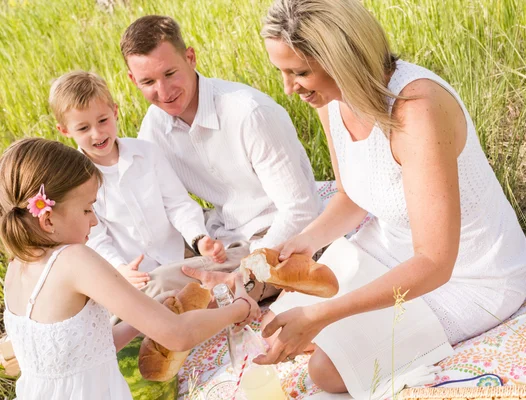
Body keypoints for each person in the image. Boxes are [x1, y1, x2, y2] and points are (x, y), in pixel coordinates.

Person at [254, 0, 526, 394]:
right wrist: (307, 241)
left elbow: (435, 263)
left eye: (299, 72)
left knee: (327, 371)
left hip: (468, 276)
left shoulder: (416, 110)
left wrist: (322, 314)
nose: (288, 88)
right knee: (277, 330)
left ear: (343, 59)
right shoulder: (330, 100)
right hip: (391, 249)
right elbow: (352, 196)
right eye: (282, 71)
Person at [0, 138, 259, 399]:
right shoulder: (74, 259)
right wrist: (240, 307)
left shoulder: (16, 268)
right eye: (88, 209)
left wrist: (141, 318)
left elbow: (85, 354)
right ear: (47, 219)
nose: (93, 221)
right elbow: (179, 335)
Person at [119, 15, 321, 298]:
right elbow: (147, 202)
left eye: (169, 74)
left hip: (277, 239)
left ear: (190, 58)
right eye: (148, 81)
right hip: (222, 237)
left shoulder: (249, 114)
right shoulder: (155, 126)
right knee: (133, 286)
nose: (163, 92)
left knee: (160, 289)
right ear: (132, 80)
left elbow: (300, 210)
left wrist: (249, 269)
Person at [49, 70, 226, 291]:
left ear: (115, 112)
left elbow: (177, 204)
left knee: (223, 271)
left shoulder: (147, 153)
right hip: (133, 275)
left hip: (178, 256)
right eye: (83, 128)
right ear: (64, 130)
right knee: (164, 304)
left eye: (103, 120)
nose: (97, 134)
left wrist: (198, 238)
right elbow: (95, 238)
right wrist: (120, 269)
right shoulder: (77, 182)